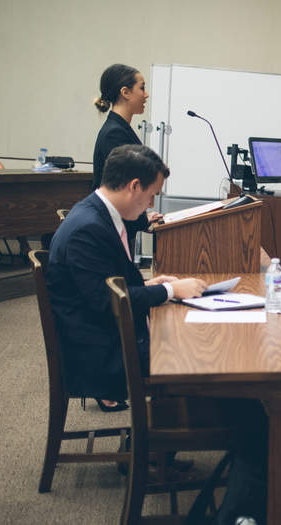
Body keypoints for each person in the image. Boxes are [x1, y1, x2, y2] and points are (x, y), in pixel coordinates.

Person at [48, 145, 205, 411]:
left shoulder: (96, 212)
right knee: (199, 352)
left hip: (106, 334)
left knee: (191, 338)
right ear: (134, 186)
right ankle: (172, 430)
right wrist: (170, 290)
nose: (152, 204)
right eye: (152, 194)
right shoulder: (87, 229)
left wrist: (148, 285)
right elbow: (106, 301)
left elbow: (103, 284)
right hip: (101, 355)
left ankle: (174, 426)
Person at [93, 64, 150, 191]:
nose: (146, 95)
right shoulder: (114, 133)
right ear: (125, 93)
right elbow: (127, 182)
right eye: (142, 88)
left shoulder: (120, 128)